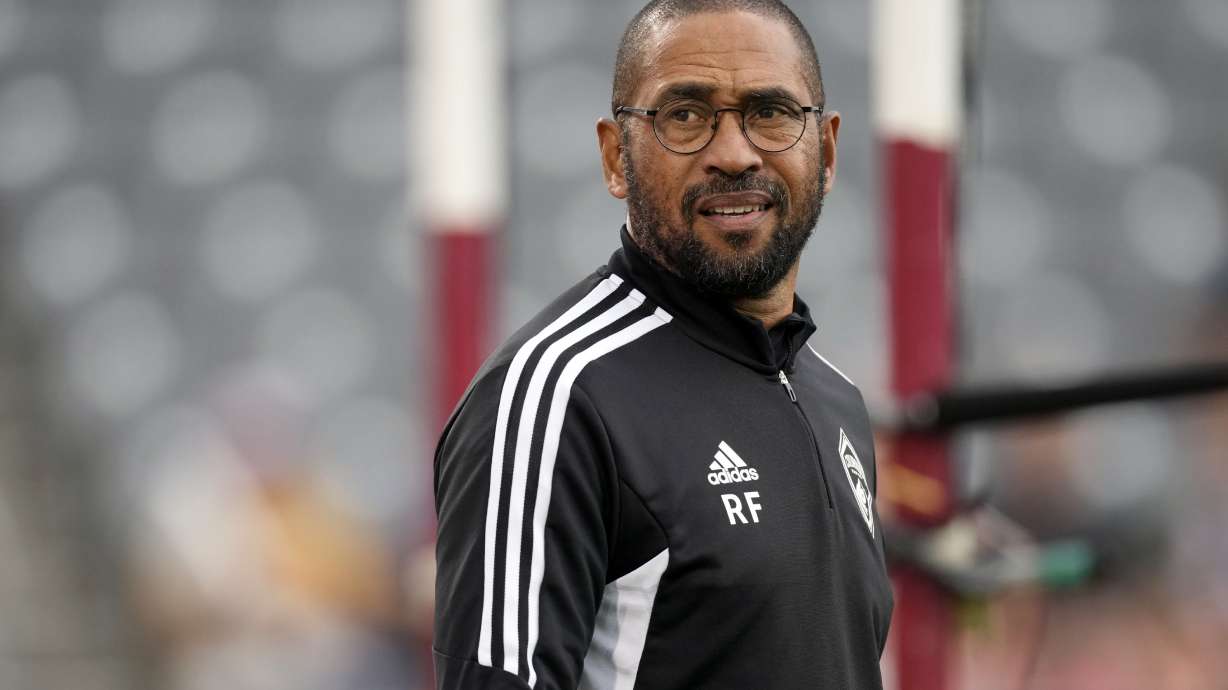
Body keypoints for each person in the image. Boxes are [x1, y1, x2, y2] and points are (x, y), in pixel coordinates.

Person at [433, 1, 893, 687]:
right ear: (616, 157)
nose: (734, 152)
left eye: (770, 112)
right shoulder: (554, 397)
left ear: (824, 152)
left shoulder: (837, 400)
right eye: (685, 115)